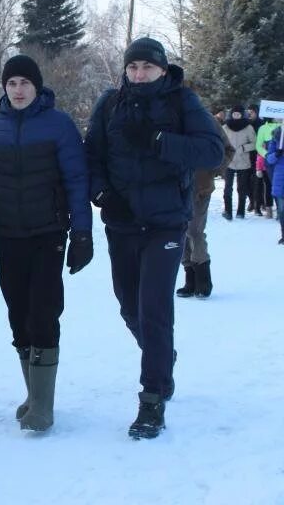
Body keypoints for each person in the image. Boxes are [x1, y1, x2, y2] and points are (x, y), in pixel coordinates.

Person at [84, 37, 223, 439]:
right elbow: (91, 155)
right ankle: (162, 358)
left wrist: (160, 141)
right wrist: (102, 194)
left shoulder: (182, 102)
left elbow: (212, 151)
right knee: (129, 306)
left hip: (165, 223)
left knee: (154, 310)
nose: (139, 74)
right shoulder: (110, 104)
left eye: (147, 67)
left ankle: (152, 400)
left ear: (163, 70)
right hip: (122, 222)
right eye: (133, 68)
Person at [0, 55, 92, 432]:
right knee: (18, 315)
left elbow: (76, 180)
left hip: (48, 235)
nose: (18, 90)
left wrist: (82, 234)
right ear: (3, 88)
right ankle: (34, 395)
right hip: (7, 236)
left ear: (37, 87)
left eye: (24, 83)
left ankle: (44, 407)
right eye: (11, 83)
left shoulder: (59, 125)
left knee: (43, 312)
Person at [176, 117, 234, 299]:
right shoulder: (166, 116)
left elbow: (228, 149)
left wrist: (213, 170)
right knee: (180, 230)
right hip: (172, 186)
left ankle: (203, 278)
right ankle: (189, 278)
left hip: (199, 186)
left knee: (194, 230)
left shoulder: (205, 119)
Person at [221, 105, 257, 220]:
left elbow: (255, 144)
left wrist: (243, 148)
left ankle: (240, 211)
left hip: (243, 162)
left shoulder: (248, 127)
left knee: (242, 188)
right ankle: (227, 211)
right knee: (227, 188)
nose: (236, 116)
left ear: (242, 114)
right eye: (234, 114)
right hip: (229, 162)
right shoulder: (225, 127)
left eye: (238, 114)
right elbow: (219, 141)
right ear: (231, 114)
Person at [255, 116, 278, 218]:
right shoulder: (263, 128)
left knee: (279, 186)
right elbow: (258, 146)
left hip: (280, 161)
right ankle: (269, 209)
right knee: (269, 186)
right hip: (267, 162)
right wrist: (267, 155)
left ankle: (280, 210)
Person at [265, 125, 284, 244]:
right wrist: (277, 154)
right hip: (280, 178)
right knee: (282, 210)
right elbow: (269, 159)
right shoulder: (277, 137)